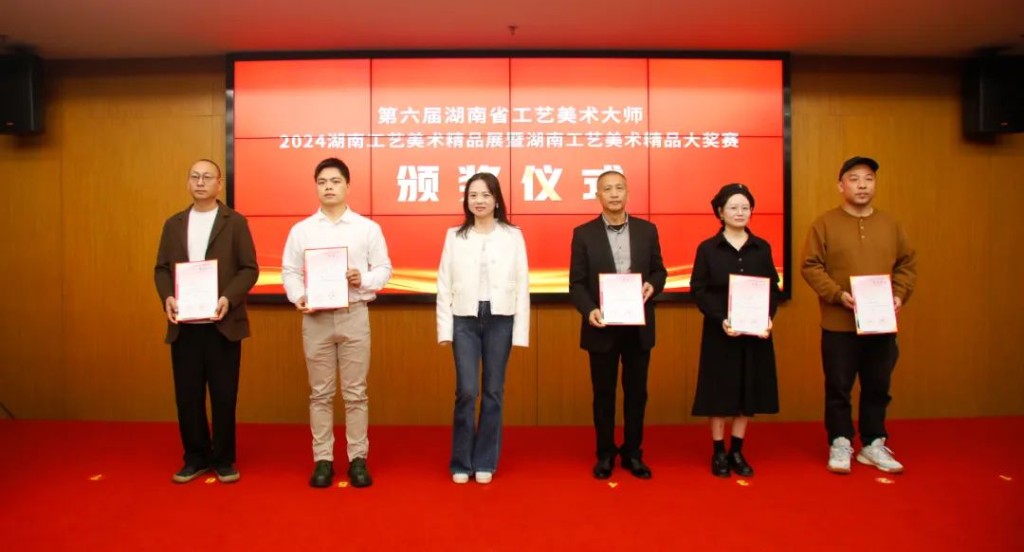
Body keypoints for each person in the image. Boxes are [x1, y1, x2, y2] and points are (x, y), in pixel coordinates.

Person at [281, 157, 393, 488]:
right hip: (316, 319)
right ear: (316, 187)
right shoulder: (301, 230)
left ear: (347, 186)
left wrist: (363, 278)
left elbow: (384, 269)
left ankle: (358, 458)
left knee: (356, 392)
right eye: (322, 182)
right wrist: (298, 295)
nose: (328, 187)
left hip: (353, 314)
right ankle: (323, 460)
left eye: (335, 181)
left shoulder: (366, 228)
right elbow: (290, 271)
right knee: (320, 393)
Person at [801, 156, 917, 475]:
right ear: (841, 186)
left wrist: (898, 294)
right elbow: (810, 266)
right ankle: (840, 441)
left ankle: (873, 443)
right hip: (839, 324)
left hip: (881, 323)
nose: (862, 185)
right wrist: (837, 294)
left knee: (878, 385)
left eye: (868, 179)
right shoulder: (824, 223)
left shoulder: (890, 224)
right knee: (838, 386)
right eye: (854, 179)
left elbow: (907, 264)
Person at [154, 158, 259, 484]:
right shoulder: (173, 224)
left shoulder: (235, 222)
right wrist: (167, 297)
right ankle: (195, 457)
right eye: (195, 177)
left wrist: (228, 297)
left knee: (224, 396)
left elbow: (249, 269)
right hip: (185, 326)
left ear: (219, 184)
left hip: (222, 325)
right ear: (188, 183)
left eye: (207, 177)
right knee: (188, 396)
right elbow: (161, 269)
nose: (200, 182)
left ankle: (224, 458)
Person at [569, 170, 667, 480]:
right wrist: (590, 310)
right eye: (607, 189)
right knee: (604, 394)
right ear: (597, 195)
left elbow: (660, 271)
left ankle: (633, 453)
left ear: (627, 193)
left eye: (619, 188)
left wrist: (653, 285)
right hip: (602, 326)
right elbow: (576, 283)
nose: (614, 194)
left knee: (637, 394)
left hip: (638, 327)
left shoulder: (647, 231)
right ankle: (605, 453)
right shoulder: (583, 234)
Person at [436, 172, 530, 485]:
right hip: (464, 318)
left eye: (486, 195)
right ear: (466, 200)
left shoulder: (513, 235)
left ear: (497, 200)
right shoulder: (454, 236)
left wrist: (521, 331)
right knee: (466, 390)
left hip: (501, 318)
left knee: (493, 391)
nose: (479, 201)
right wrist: (444, 330)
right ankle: (461, 462)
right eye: (473, 195)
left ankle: (486, 460)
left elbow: (523, 284)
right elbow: (444, 284)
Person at [690, 183, 781, 478]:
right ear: (720, 212)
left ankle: (737, 450)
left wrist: (768, 317)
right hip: (720, 331)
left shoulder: (762, 248)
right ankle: (718, 451)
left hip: (755, 333)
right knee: (719, 391)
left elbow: (773, 288)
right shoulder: (707, 248)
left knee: (747, 390)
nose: (740, 212)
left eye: (745, 207)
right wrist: (721, 319)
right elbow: (699, 290)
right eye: (733, 207)